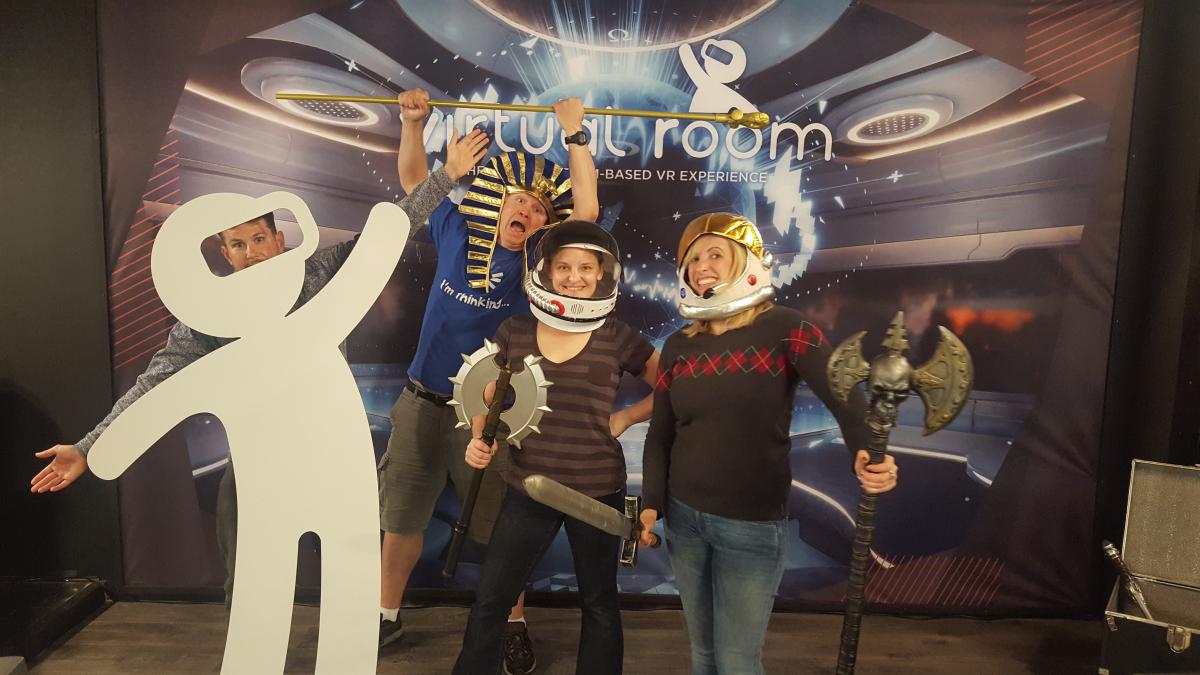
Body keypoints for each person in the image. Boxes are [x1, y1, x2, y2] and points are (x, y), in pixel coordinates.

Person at [28, 132, 486, 607]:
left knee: (349, 574)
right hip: (255, 457)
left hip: (332, 449)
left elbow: (388, 232)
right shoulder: (208, 315)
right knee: (248, 583)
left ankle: (363, 632)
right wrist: (89, 447)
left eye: (259, 238)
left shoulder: (319, 272)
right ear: (226, 255)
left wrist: (446, 176)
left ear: (280, 241)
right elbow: (154, 384)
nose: (251, 252)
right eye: (238, 244)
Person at [379, 88, 599, 672]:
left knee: (500, 530)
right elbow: (414, 183)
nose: (526, 212)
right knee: (401, 518)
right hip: (421, 401)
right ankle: (385, 616)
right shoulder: (455, 231)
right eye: (518, 201)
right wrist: (411, 124)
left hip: (489, 414)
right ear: (498, 202)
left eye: (538, 210)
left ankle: (513, 623)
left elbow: (586, 213)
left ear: (545, 225)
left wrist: (575, 134)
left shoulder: (540, 265)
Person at [638, 212, 900, 675]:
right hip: (685, 521)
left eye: (715, 254)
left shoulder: (787, 327)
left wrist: (867, 450)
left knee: (738, 662)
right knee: (703, 653)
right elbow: (660, 434)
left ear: (745, 261)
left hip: (751, 525)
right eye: (692, 259)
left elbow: (843, 394)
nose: (701, 266)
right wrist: (651, 505)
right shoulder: (678, 346)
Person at [454, 221, 658, 674]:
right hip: (527, 486)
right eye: (564, 266)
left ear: (602, 273)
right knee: (491, 599)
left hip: (596, 490)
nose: (573, 277)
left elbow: (674, 385)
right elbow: (486, 396)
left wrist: (626, 416)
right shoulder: (515, 330)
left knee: (599, 602)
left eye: (585, 267)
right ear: (546, 271)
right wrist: (478, 439)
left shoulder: (617, 335)